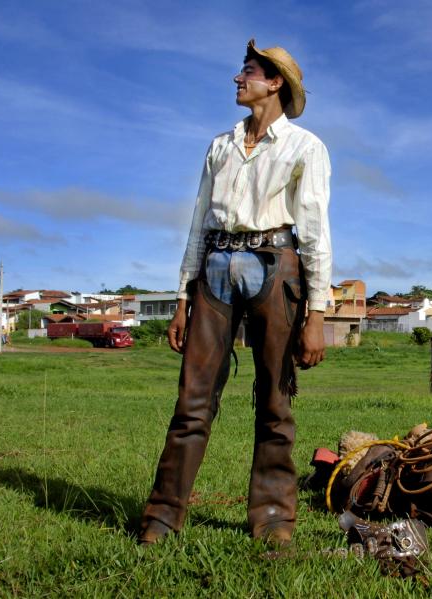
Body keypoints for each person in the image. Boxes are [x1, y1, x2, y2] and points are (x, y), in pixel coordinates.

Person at [139, 37, 332, 546]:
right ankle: (161, 517)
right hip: (215, 267)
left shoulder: (304, 147)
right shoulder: (220, 146)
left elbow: (314, 232)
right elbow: (198, 222)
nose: (237, 78)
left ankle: (272, 519)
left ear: (275, 83)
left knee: (275, 400)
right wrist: (181, 297)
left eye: (247, 71)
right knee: (192, 400)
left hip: (277, 266)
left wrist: (317, 313)